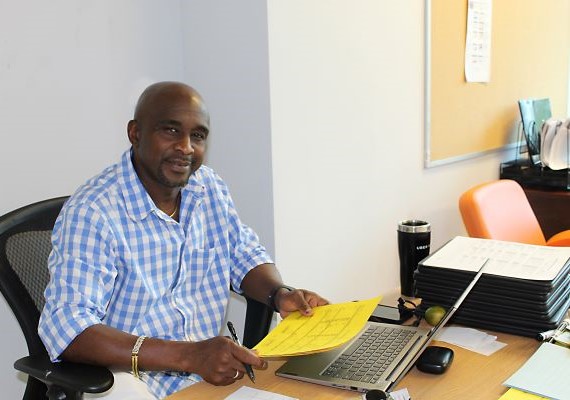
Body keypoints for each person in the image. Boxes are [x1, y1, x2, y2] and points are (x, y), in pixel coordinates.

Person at [38, 81, 328, 399]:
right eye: (171, 131)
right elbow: (68, 327)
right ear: (135, 133)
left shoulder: (207, 188)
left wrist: (279, 294)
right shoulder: (93, 212)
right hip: (124, 379)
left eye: (198, 136)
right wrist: (189, 356)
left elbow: (243, 253)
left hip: (207, 380)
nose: (186, 147)